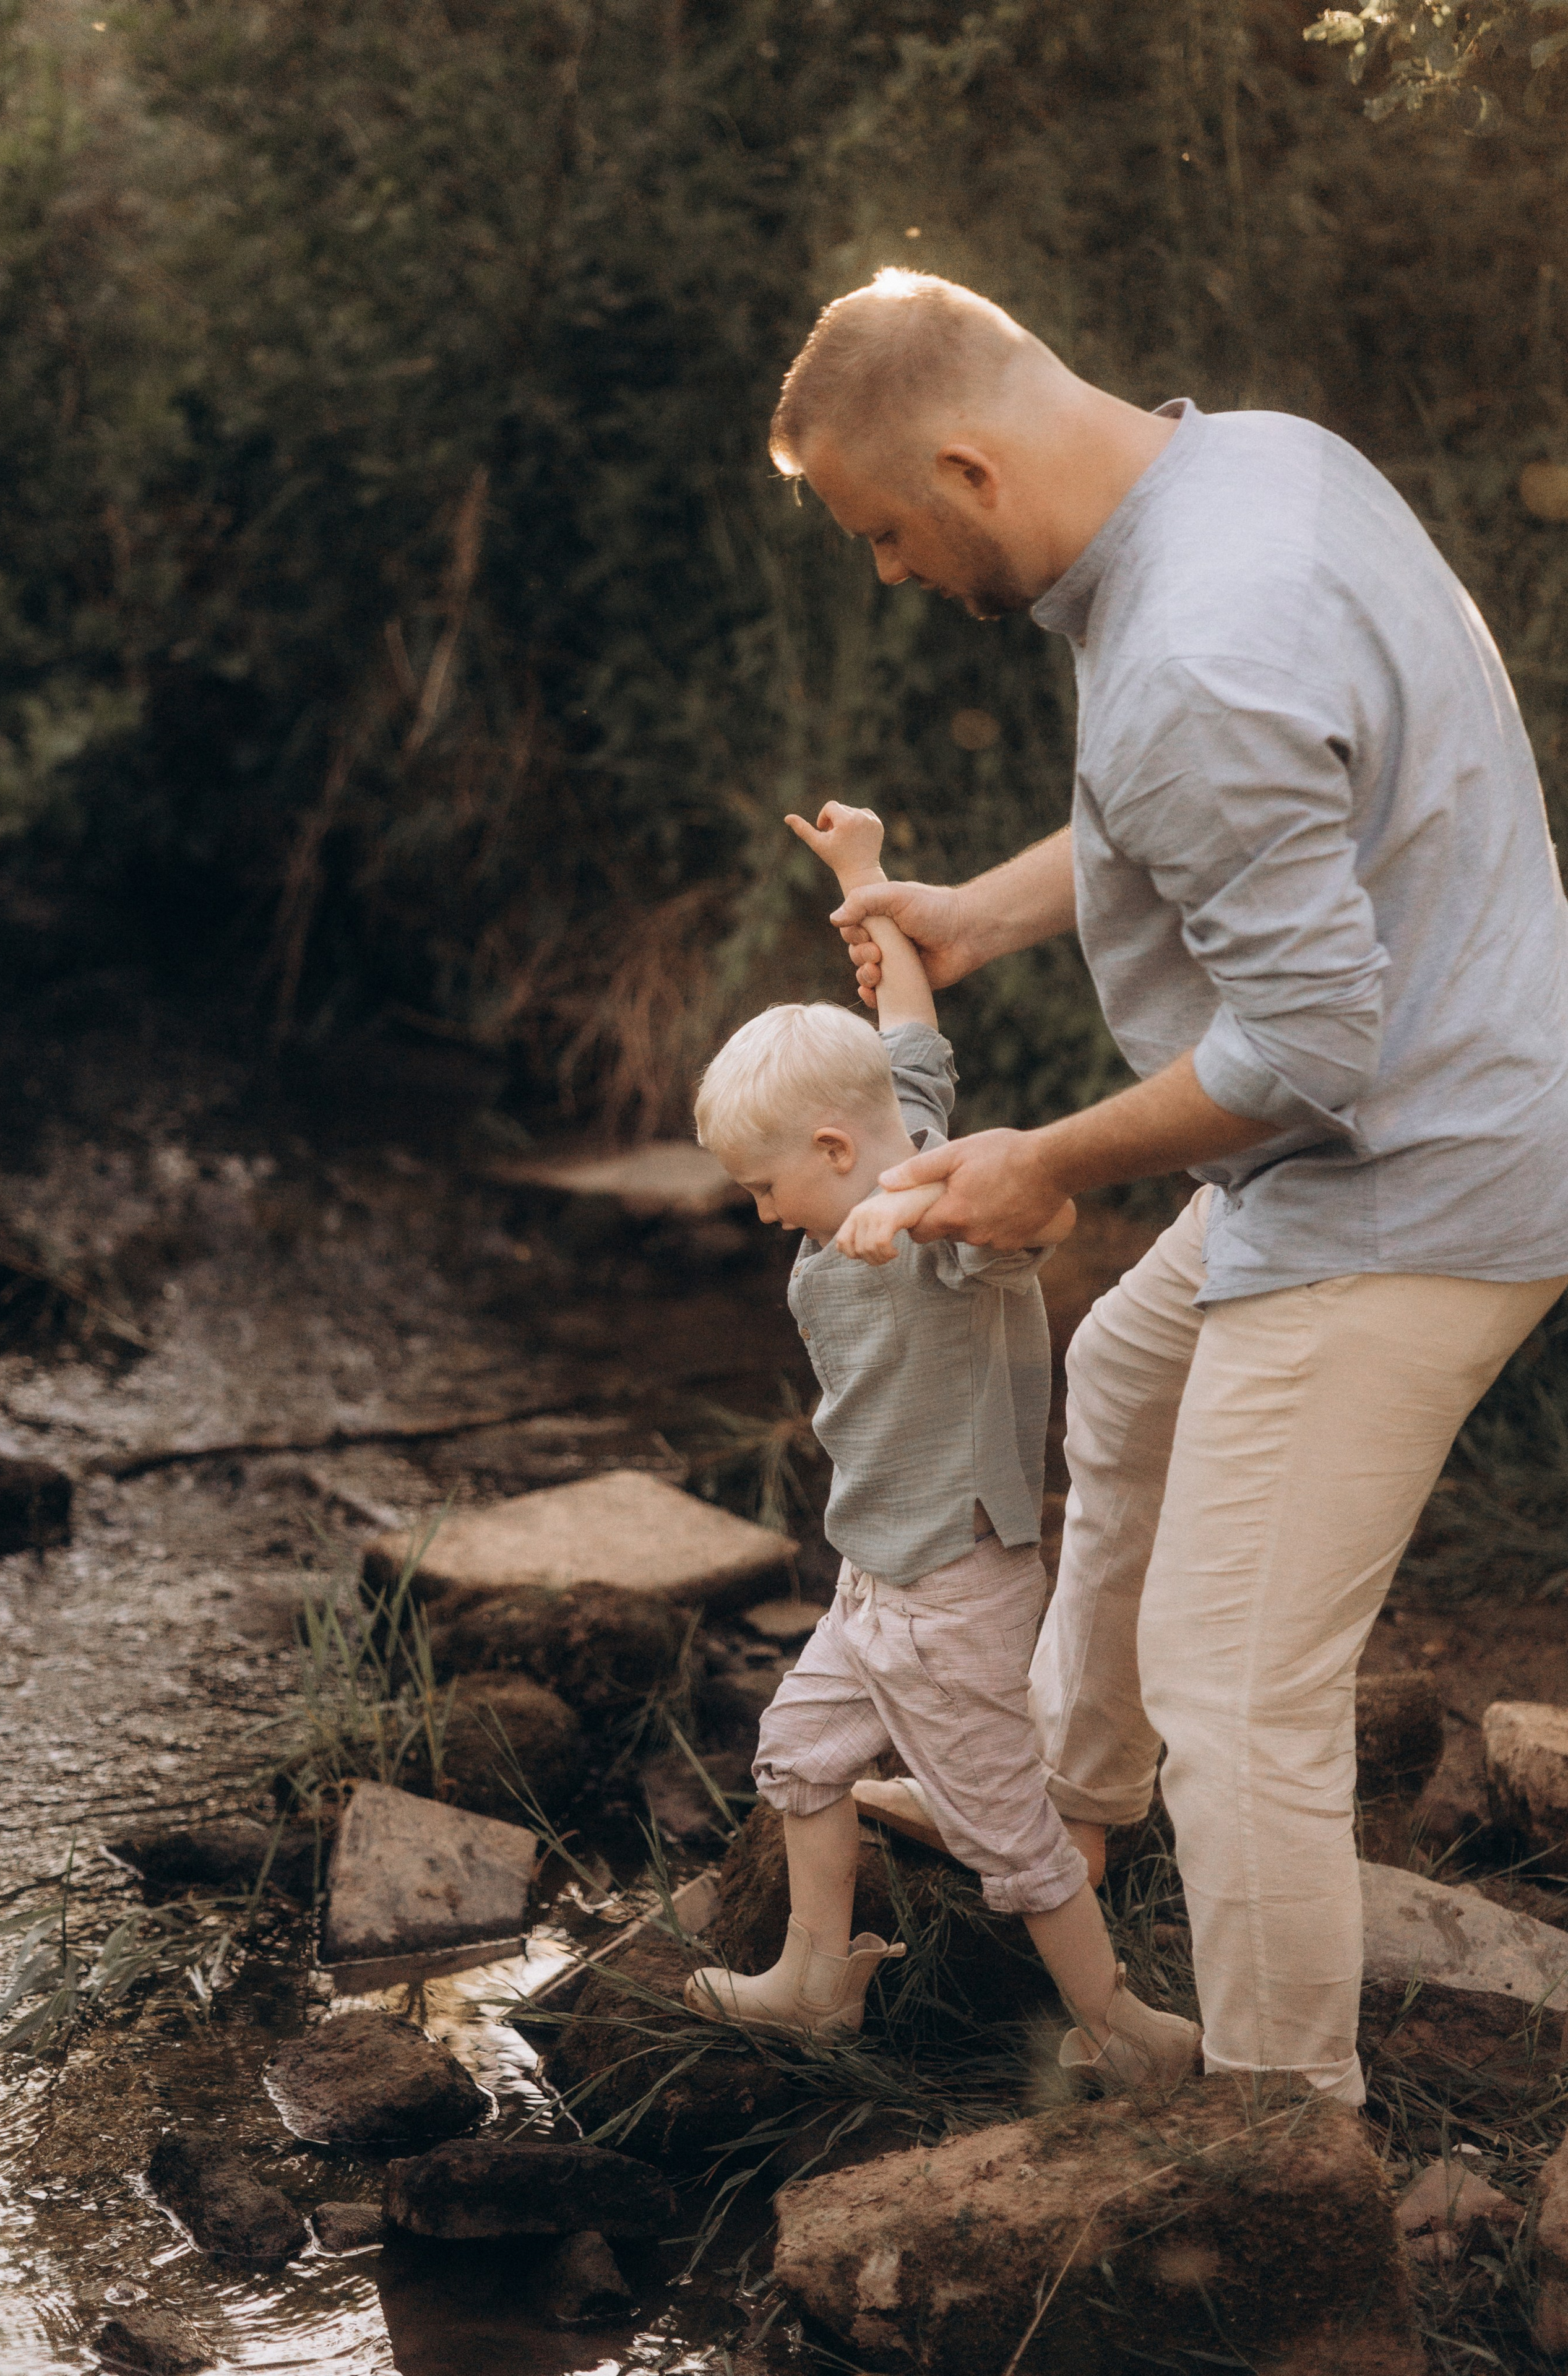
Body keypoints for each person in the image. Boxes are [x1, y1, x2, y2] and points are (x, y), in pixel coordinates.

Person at [771, 267, 1568, 2108]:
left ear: (969, 469)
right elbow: (1231, 791)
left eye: (884, 532)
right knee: (1124, 1387)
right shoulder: (1251, 471)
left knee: (1243, 1699)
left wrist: (1042, 1158)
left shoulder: (1193, 651)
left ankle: (1288, 2137)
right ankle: (1063, 1784)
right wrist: (976, 912)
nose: (887, 570)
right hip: (1462, 1070)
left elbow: (1308, 1054)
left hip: (1401, 1186)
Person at [681, 797, 1202, 2094]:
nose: (759, 1216)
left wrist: (917, 1228)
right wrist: (868, 877)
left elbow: (1031, 1228)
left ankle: (1117, 2025)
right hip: (870, 1584)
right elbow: (908, 1028)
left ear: (833, 1149)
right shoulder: (880, 1121)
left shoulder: (953, 1224)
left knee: (1012, 1841)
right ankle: (814, 1981)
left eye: (765, 1186)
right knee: (797, 1758)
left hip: (949, 1596)